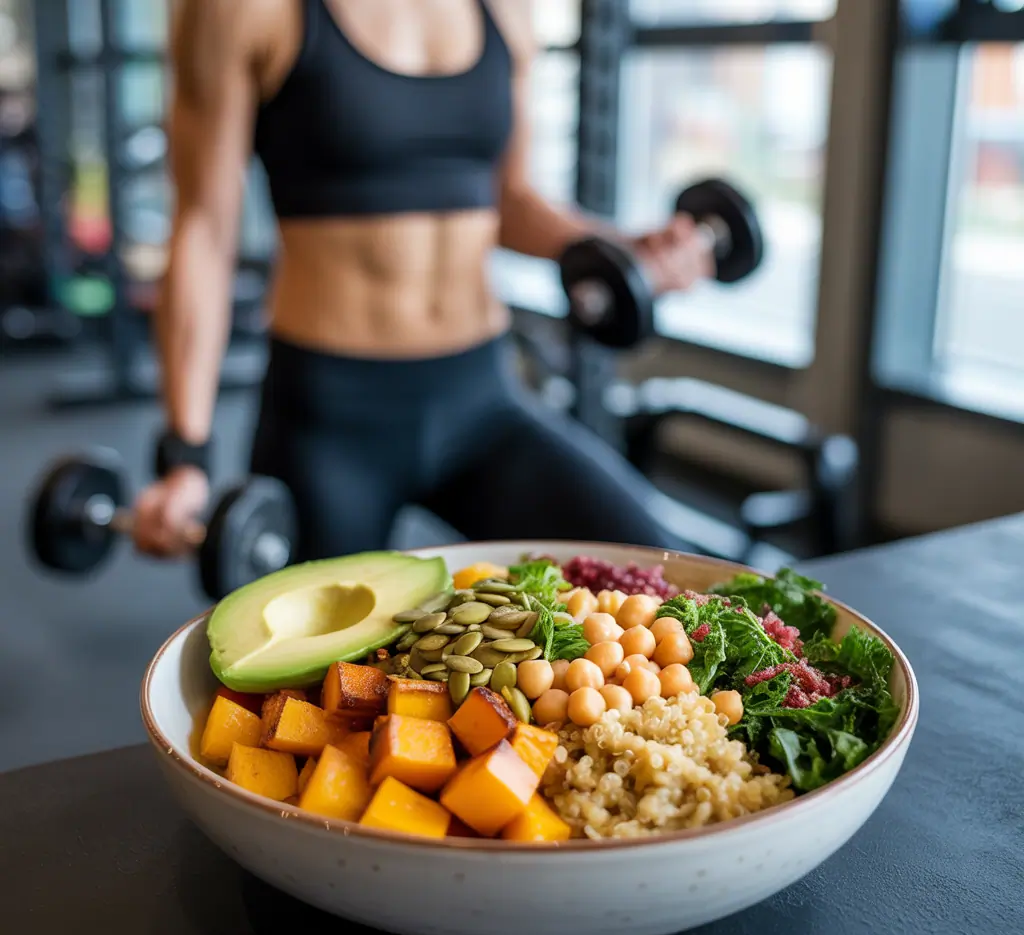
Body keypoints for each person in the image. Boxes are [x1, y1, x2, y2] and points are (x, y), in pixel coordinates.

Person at [134, 0, 714, 562]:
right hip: (332, 417)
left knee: (663, 581)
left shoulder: (505, 9)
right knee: (324, 663)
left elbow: (507, 199)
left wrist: (618, 247)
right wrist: (186, 454)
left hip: (481, 398)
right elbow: (204, 233)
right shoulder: (244, 9)